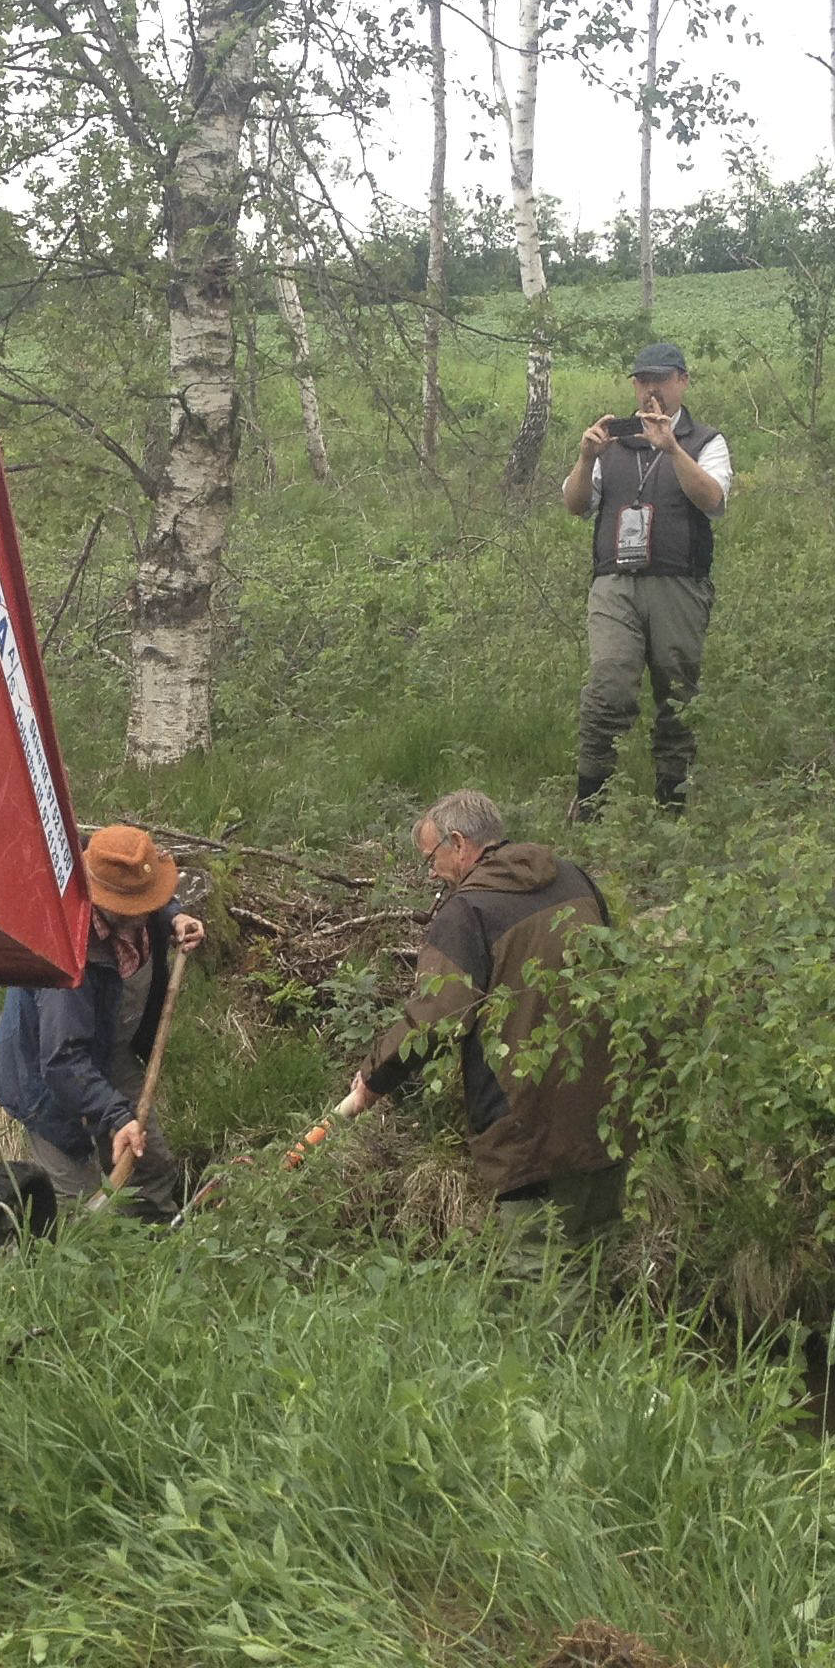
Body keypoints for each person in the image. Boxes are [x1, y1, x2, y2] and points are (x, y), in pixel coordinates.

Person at [343, 790, 620, 1241]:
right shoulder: (574, 878)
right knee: (597, 1255)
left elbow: (437, 1015)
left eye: (431, 857)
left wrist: (374, 1079)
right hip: (609, 1109)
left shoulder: (468, 911)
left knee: (536, 1268)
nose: (431, 872)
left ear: (458, 843)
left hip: (532, 1129)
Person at [558, 341, 732, 818]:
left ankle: (670, 808)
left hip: (679, 582)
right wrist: (586, 458)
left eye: (661, 379)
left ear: (683, 381)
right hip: (615, 583)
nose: (650, 389)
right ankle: (590, 803)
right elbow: (575, 505)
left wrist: (671, 448)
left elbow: (712, 500)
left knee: (677, 694)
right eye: (642, 380)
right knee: (609, 684)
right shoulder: (611, 441)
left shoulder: (705, 441)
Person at [0, 824, 204, 1216]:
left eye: (150, 899)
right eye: (138, 905)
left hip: (112, 1051)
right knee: (82, 1207)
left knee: (152, 1165)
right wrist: (117, 1116)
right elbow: (62, 1061)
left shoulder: (140, 909)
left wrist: (175, 917)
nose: (148, 909)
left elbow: (151, 899)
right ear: (108, 902)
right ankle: (91, 1248)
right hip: (51, 1078)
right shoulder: (67, 959)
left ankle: (160, 1234)